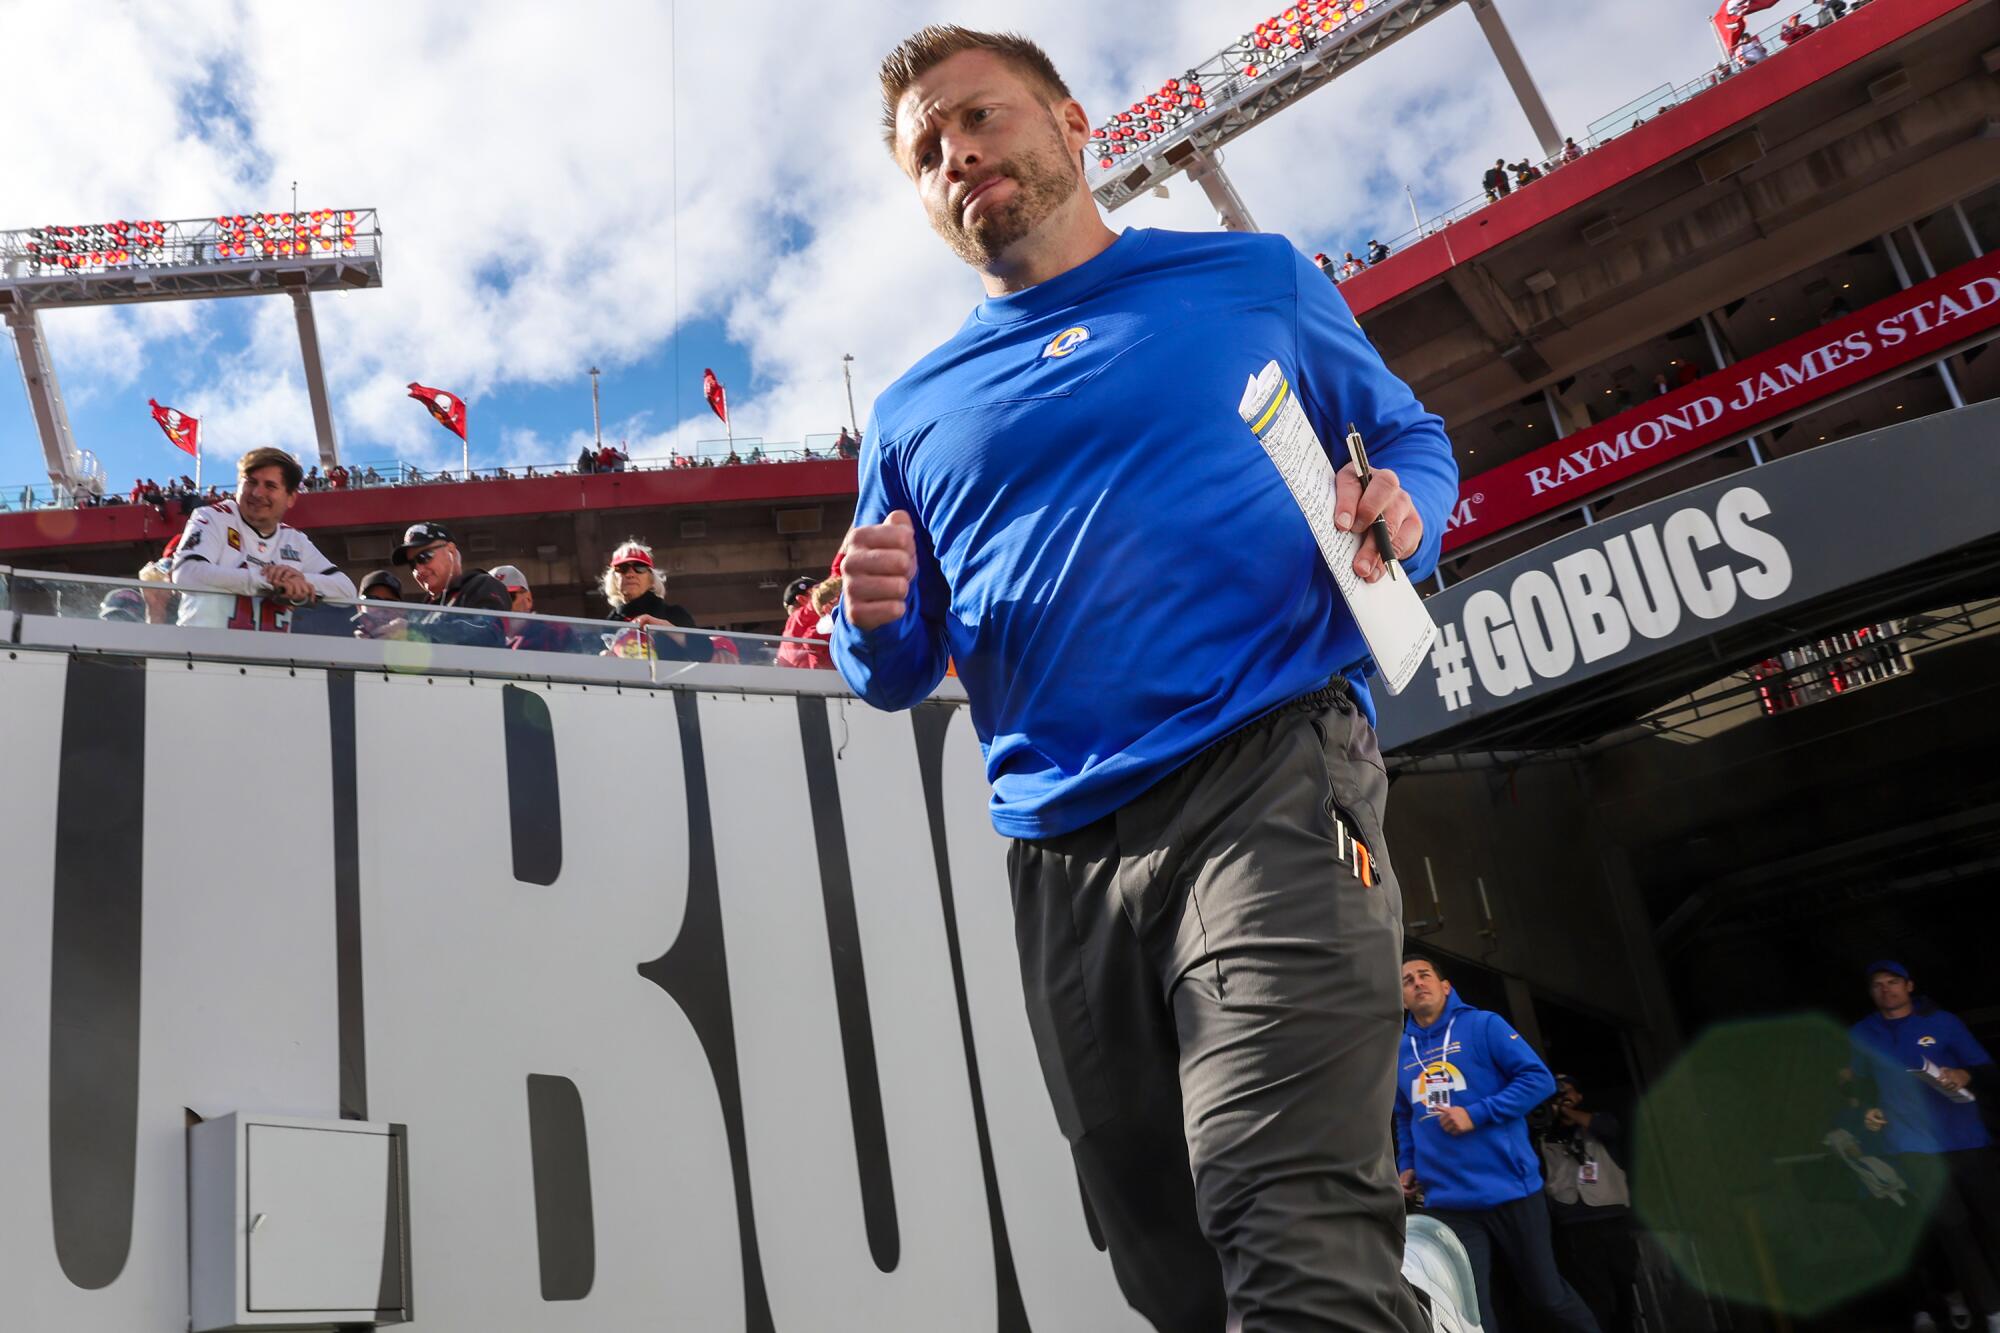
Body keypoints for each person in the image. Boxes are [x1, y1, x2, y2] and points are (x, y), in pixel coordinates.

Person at [837, 26, 1461, 1333]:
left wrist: (1411, 506)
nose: (958, 152)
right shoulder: (910, 412)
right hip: (1062, 860)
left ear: (1070, 121)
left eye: (980, 116)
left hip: (1271, 779)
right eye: (926, 149)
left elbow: (1404, 427)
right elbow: (896, 667)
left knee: (1281, 1222)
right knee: (1174, 1276)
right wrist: (871, 619)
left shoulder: (1253, 280)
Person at [1397, 954, 1599, 1332]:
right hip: (1449, 1202)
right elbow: (1405, 1116)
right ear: (1402, 998)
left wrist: (1477, 1113)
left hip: (1510, 1190)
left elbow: (1538, 1080)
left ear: (1446, 987)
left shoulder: (1483, 1026)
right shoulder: (1401, 1052)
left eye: (1425, 975)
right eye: (1407, 980)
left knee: (1546, 1296)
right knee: (1467, 1311)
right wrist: (1406, 1165)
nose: (1417, 982)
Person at [1847, 961, 2000, 1330]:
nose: (1886, 989)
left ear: (1909, 986)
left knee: (1994, 1223)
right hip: (1912, 1146)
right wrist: (1866, 1108)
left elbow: (1987, 1069)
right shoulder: (1862, 1033)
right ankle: (1994, 1313)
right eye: (1878, 985)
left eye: (1893, 982)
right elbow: (1853, 1083)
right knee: (1953, 1231)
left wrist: (1964, 1073)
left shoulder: (1943, 1022)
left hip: (1966, 1139)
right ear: (1871, 993)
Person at [170, 446, 355, 629]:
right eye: (250, 482)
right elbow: (186, 573)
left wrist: (301, 581)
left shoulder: (294, 540)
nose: (258, 493)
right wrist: (267, 581)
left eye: (270, 486)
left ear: (290, 497)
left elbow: (346, 591)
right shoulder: (212, 517)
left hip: (269, 656)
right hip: (201, 652)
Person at [1541, 1074, 1645, 1332]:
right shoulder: (1544, 1136)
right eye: (1556, 1095)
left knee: (1624, 1285)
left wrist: (1567, 1110)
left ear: (1579, 1097)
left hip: (1612, 1219)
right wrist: (1552, 1114)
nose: (1562, 1099)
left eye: (1568, 1092)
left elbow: (1608, 1128)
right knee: (1593, 1294)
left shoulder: (1598, 1124)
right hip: (1575, 1225)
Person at [368, 521, 510, 647]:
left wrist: (413, 631)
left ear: (451, 550)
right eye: (412, 564)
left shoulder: (482, 584)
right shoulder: (421, 612)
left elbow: (488, 631)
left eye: (424, 557)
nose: (419, 570)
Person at [601, 539, 709, 662]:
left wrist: (661, 625)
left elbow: (704, 653)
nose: (630, 574)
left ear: (651, 579)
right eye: (622, 568)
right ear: (614, 579)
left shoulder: (673, 613)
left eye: (639, 567)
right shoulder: (608, 625)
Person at [491, 563, 576, 654]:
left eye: (509, 597)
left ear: (528, 599)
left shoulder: (556, 632)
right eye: (492, 600)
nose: (502, 605)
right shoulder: (483, 639)